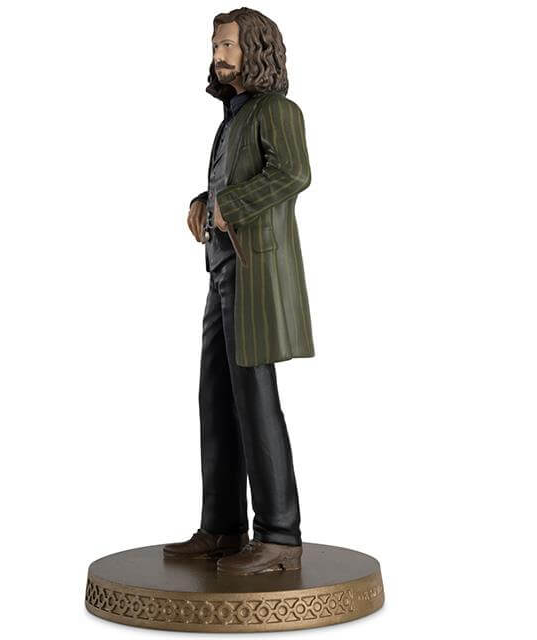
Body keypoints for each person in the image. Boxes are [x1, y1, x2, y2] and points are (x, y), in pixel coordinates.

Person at [163, 7, 314, 576]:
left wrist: (230, 204)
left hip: (256, 272)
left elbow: (293, 174)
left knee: (254, 398)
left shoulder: (277, 111)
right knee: (217, 397)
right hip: (222, 268)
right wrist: (205, 200)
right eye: (216, 45)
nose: (219, 55)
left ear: (256, 49)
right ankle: (223, 527)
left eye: (228, 45)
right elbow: (233, 181)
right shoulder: (234, 117)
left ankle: (280, 535)